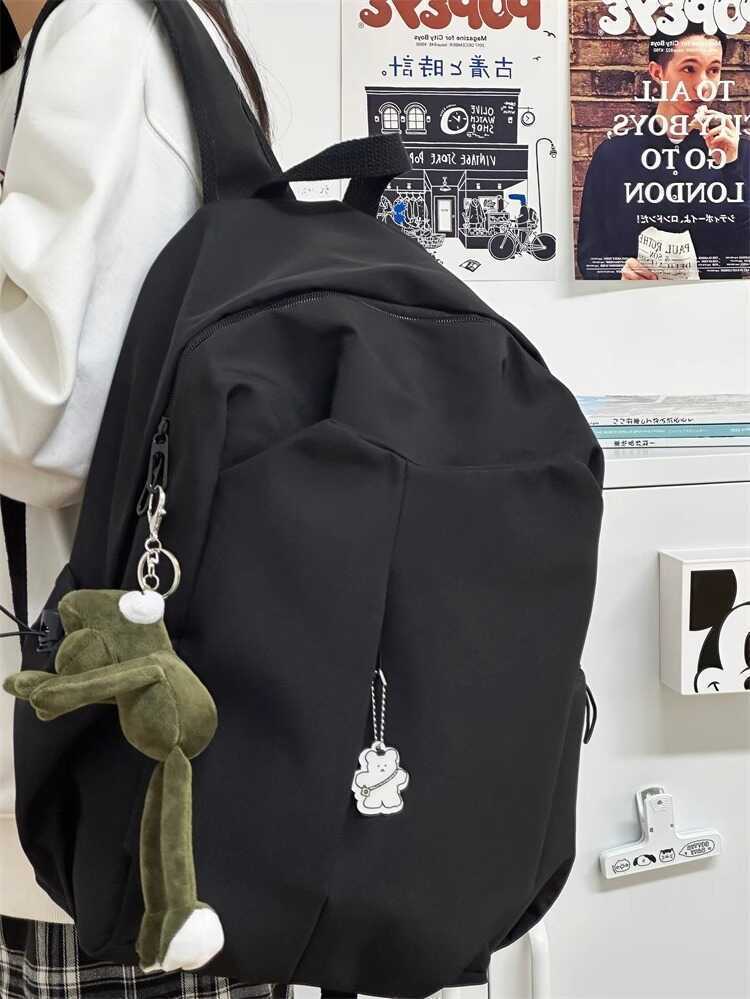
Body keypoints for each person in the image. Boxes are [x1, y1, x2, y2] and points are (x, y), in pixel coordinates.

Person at [0, 1, 287, 996]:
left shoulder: (103, 37)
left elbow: (41, 418)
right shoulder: (142, 34)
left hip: (106, 765)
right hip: (141, 736)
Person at [577, 23, 750, 281]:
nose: (704, 86)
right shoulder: (612, 156)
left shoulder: (739, 152)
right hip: (635, 302)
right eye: (689, 69)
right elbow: (590, 255)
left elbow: (743, 252)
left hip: (714, 304)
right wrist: (617, 274)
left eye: (713, 70)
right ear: (657, 72)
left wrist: (731, 167)